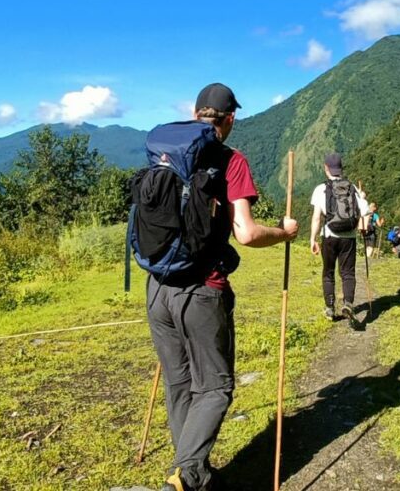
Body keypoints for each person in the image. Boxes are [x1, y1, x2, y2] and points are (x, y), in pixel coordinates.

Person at [146, 83, 299, 491]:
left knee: (180, 384)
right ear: (230, 119)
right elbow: (245, 233)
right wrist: (284, 233)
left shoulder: (164, 153)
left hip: (157, 287)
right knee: (214, 388)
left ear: (194, 112)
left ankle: (189, 472)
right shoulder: (230, 159)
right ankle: (186, 477)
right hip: (202, 290)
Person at [309, 153, 369, 328]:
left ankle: (329, 308)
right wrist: (362, 197)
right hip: (348, 237)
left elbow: (316, 218)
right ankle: (348, 303)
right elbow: (365, 211)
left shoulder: (321, 189)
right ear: (341, 168)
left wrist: (313, 239)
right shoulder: (352, 187)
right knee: (348, 273)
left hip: (329, 235)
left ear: (326, 168)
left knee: (328, 272)